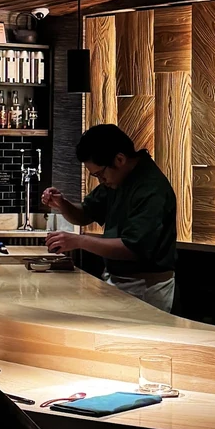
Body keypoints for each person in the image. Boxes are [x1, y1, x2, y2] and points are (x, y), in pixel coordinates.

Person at [42, 124, 178, 312]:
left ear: (120, 159)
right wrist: (62, 204)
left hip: (146, 286)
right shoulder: (119, 178)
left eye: (100, 174)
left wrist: (79, 241)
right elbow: (86, 213)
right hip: (117, 279)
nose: (101, 180)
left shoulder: (151, 189)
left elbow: (132, 249)